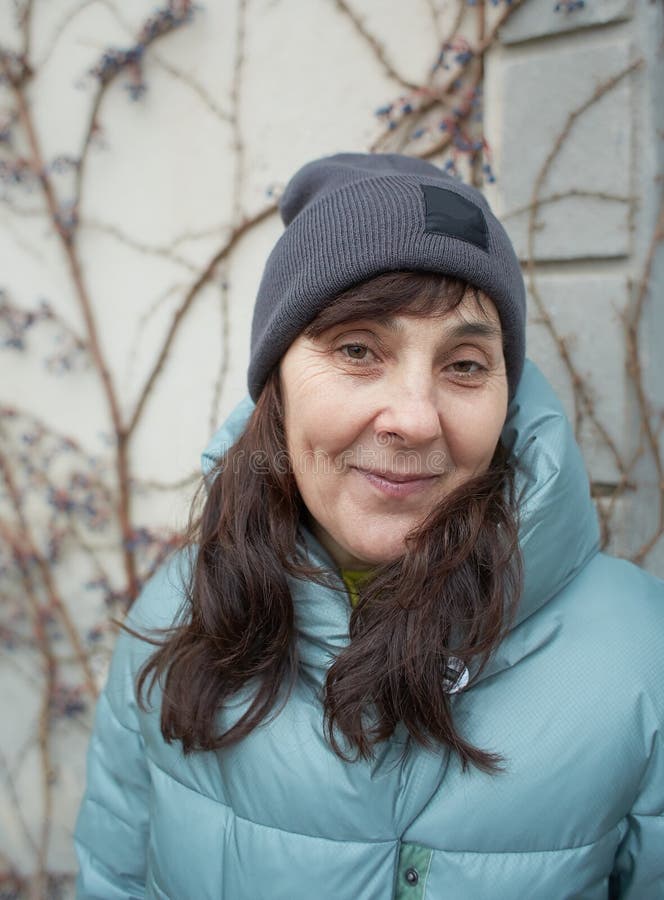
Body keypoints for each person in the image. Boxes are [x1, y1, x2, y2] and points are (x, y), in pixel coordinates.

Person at [74, 153, 664, 899]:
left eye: (466, 365)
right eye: (358, 350)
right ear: (277, 384)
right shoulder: (176, 616)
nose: (415, 418)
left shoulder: (644, 656)